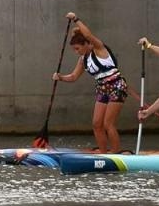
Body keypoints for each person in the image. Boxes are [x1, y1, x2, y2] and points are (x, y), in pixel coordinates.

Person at [51, 12, 128, 153]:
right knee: (96, 124)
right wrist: (60, 77)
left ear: (87, 44)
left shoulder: (99, 49)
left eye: (78, 48)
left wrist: (75, 19)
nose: (76, 52)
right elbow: (73, 77)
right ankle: (104, 154)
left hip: (117, 86)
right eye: (74, 50)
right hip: (102, 89)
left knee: (108, 124)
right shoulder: (83, 59)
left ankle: (117, 154)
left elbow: (87, 35)